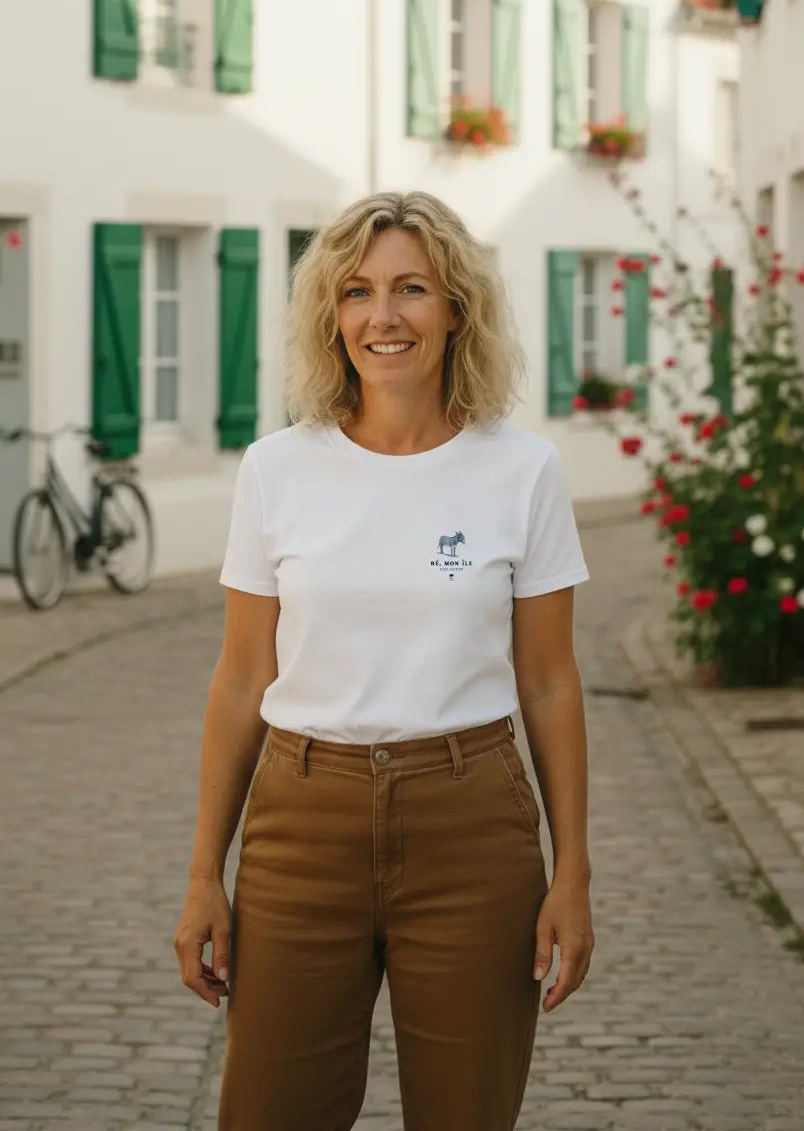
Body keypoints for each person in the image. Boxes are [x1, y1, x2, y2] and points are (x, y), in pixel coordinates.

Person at [173, 190, 595, 1131]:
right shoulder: (277, 469)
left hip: (471, 825)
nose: (384, 316)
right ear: (333, 315)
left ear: (457, 309)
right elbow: (243, 679)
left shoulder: (521, 471)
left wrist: (574, 875)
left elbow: (550, 682)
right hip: (298, 826)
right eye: (358, 293)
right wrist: (207, 871)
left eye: (412, 289)